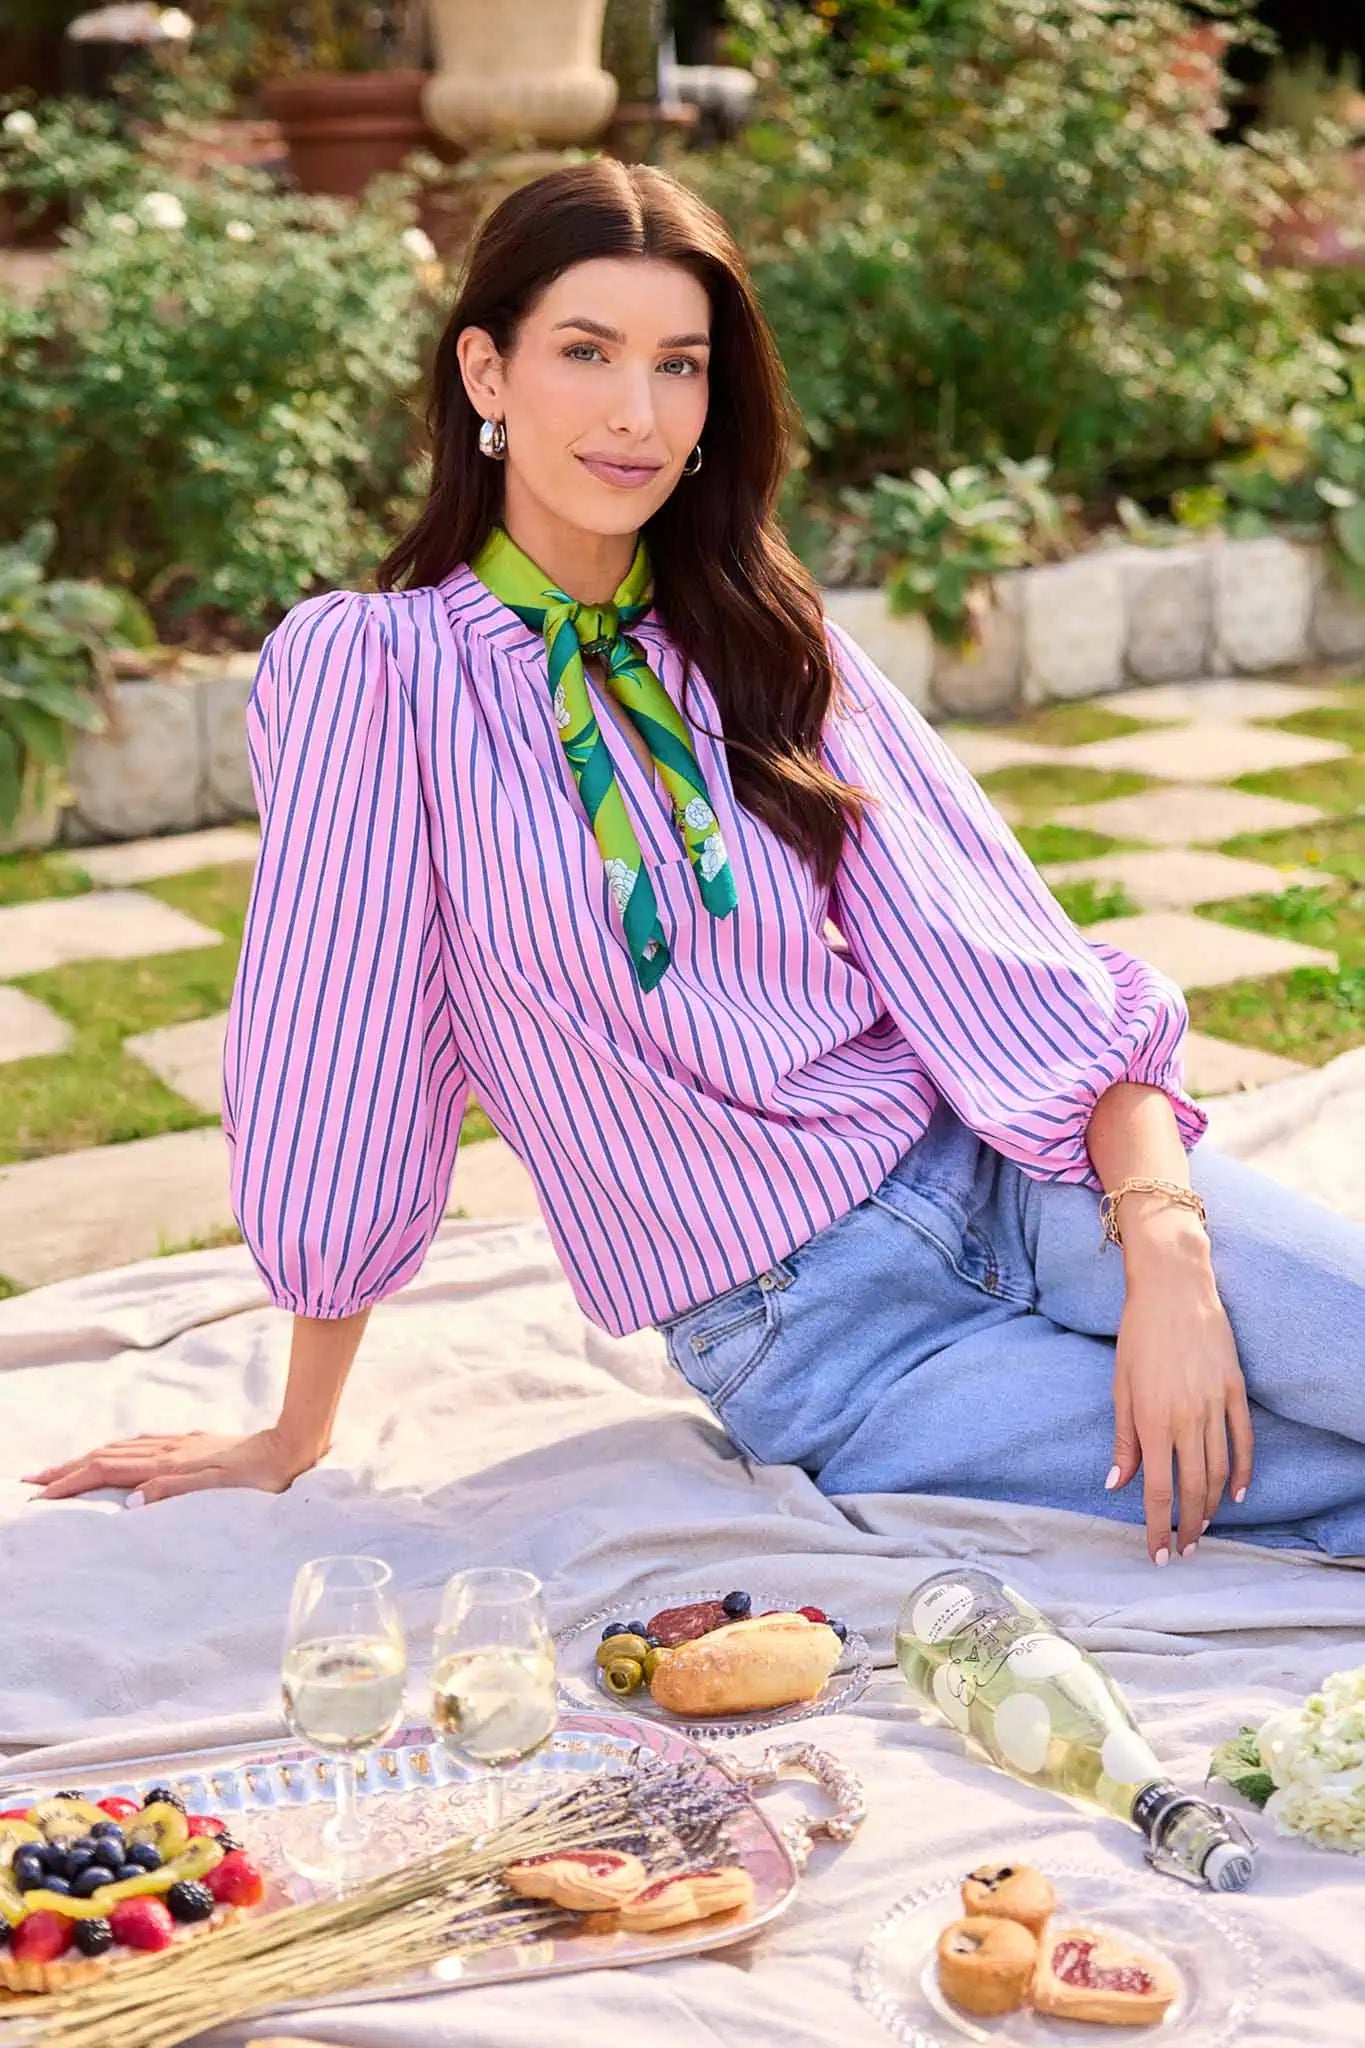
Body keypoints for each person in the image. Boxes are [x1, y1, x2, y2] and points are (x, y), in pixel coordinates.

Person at [28, 161, 1365, 1566]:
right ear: (485, 368)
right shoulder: (373, 671)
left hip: (1022, 1177)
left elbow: (1004, 968)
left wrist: (1166, 1250)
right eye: (585, 353)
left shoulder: (762, 633)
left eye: (680, 365)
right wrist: (292, 1432)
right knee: (1311, 1494)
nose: (636, 413)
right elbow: (344, 1049)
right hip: (815, 1339)